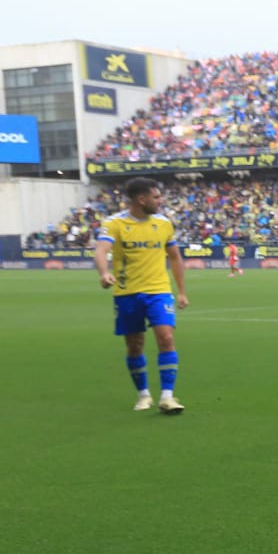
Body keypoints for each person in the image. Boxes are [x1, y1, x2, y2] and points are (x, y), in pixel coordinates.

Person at [93, 177, 189, 414]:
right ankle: (143, 394)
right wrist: (104, 273)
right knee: (134, 345)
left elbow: (175, 257)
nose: (160, 201)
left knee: (166, 337)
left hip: (159, 290)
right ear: (141, 199)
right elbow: (101, 250)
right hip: (127, 293)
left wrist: (181, 292)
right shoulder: (114, 223)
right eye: (156, 197)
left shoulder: (164, 223)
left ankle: (167, 396)